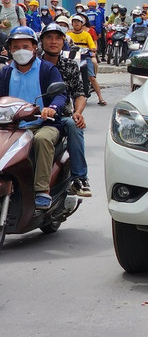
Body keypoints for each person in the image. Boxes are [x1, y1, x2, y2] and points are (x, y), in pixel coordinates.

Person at [0, 26, 69, 210]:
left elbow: (61, 94)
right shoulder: (5, 72)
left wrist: (52, 108)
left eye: (25, 46)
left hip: (43, 123)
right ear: (10, 49)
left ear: (34, 48)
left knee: (42, 140)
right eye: (16, 47)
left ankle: (41, 191)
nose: (20, 50)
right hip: (12, 125)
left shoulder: (47, 69)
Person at [39, 23, 92, 197]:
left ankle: (79, 178)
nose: (53, 42)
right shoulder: (32, 63)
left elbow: (79, 94)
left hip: (61, 116)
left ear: (63, 42)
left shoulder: (70, 65)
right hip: (32, 115)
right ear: (41, 42)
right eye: (49, 37)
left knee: (74, 125)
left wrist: (78, 113)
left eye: (57, 38)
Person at [66, 14, 107, 106]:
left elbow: (93, 47)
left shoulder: (87, 34)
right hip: (72, 58)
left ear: (82, 24)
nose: (76, 24)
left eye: (78, 22)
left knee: (92, 77)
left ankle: (100, 97)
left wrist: (91, 49)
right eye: (74, 22)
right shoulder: (68, 34)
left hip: (85, 57)